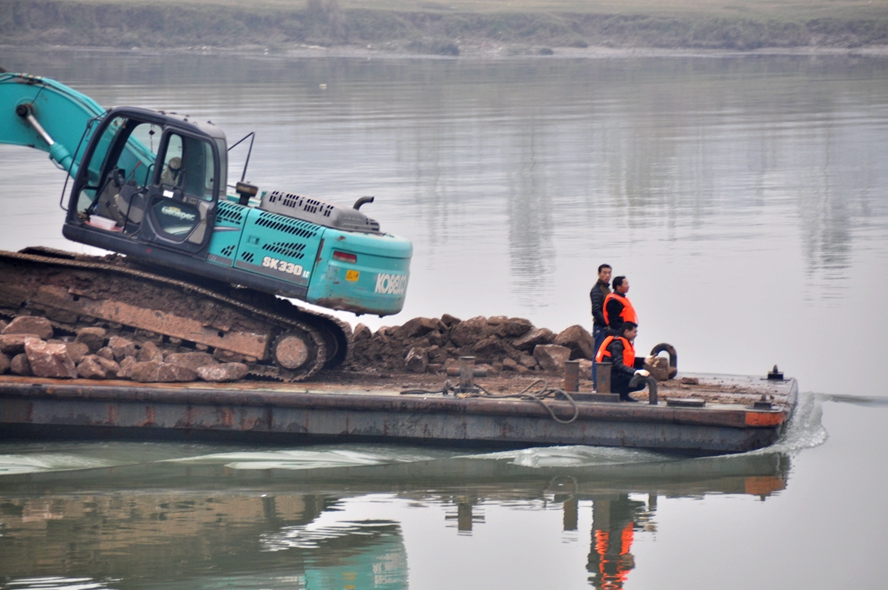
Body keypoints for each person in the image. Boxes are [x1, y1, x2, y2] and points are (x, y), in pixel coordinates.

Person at [594, 322, 649, 402]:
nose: (636, 334)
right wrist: (635, 372)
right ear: (627, 331)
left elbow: (628, 359)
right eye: (634, 332)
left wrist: (644, 360)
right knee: (640, 382)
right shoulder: (617, 344)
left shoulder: (623, 341)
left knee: (640, 368)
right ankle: (618, 393)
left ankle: (623, 394)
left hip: (616, 373)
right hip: (610, 376)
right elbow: (618, 364)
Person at [589, 264, 612, 387]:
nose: (607, 275)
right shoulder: (596, 290)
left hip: (606, 328)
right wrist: (607, 323)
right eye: (604, 273)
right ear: (599, 274)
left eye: (609, 273)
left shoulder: (606, 289)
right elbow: (596, 311)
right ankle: (596, 385)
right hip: (600, 327)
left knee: (605, 355)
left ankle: (603, 383)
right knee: (598, 355)